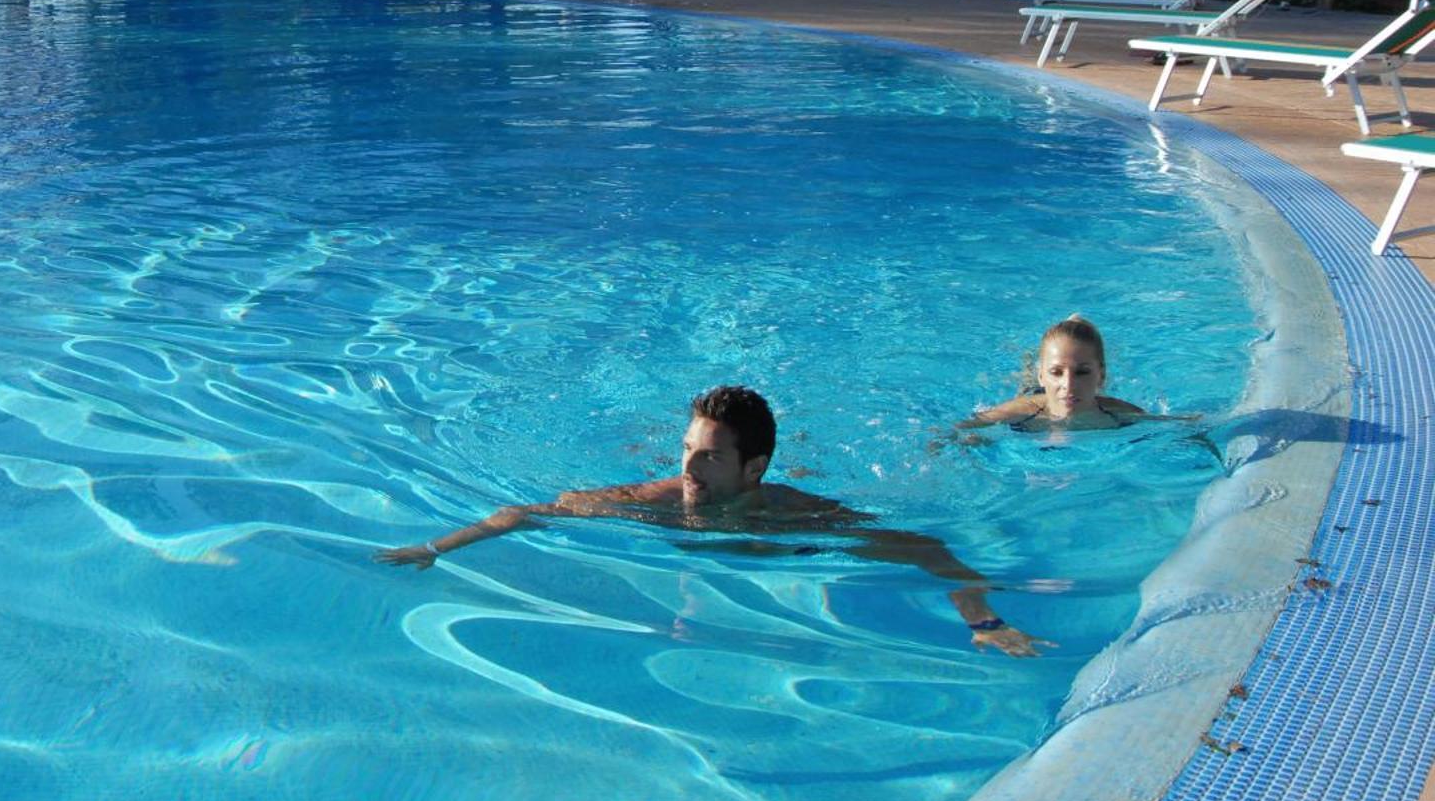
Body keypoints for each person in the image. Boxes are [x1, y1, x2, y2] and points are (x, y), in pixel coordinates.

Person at [375, 385, 1052, 657]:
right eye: (687, 452)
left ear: (753, 469)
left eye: (710, 458)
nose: (691, 473)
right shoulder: (660, 497)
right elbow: (530, 511)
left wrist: (984, 620)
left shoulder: (799, 518)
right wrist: (438, 546)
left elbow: (928, 549)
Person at [957, 316, 1148, 433]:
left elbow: (1173, 426)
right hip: (1037, 395)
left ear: (1102, 375)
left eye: (1082, 372)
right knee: (1026, 384)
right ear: (1042, 375)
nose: (1069, 384)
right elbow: (957, 429)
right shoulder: (1022, 412)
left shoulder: (1120, 413)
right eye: (1057, 373)